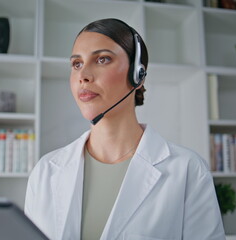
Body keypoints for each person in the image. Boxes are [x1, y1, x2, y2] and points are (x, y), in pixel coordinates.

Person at [24, 18, 225, 240]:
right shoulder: (45, 171)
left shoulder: (188, 170)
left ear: (138, 74)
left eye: (102, 59)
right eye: (77, 64)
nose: (83, 76)